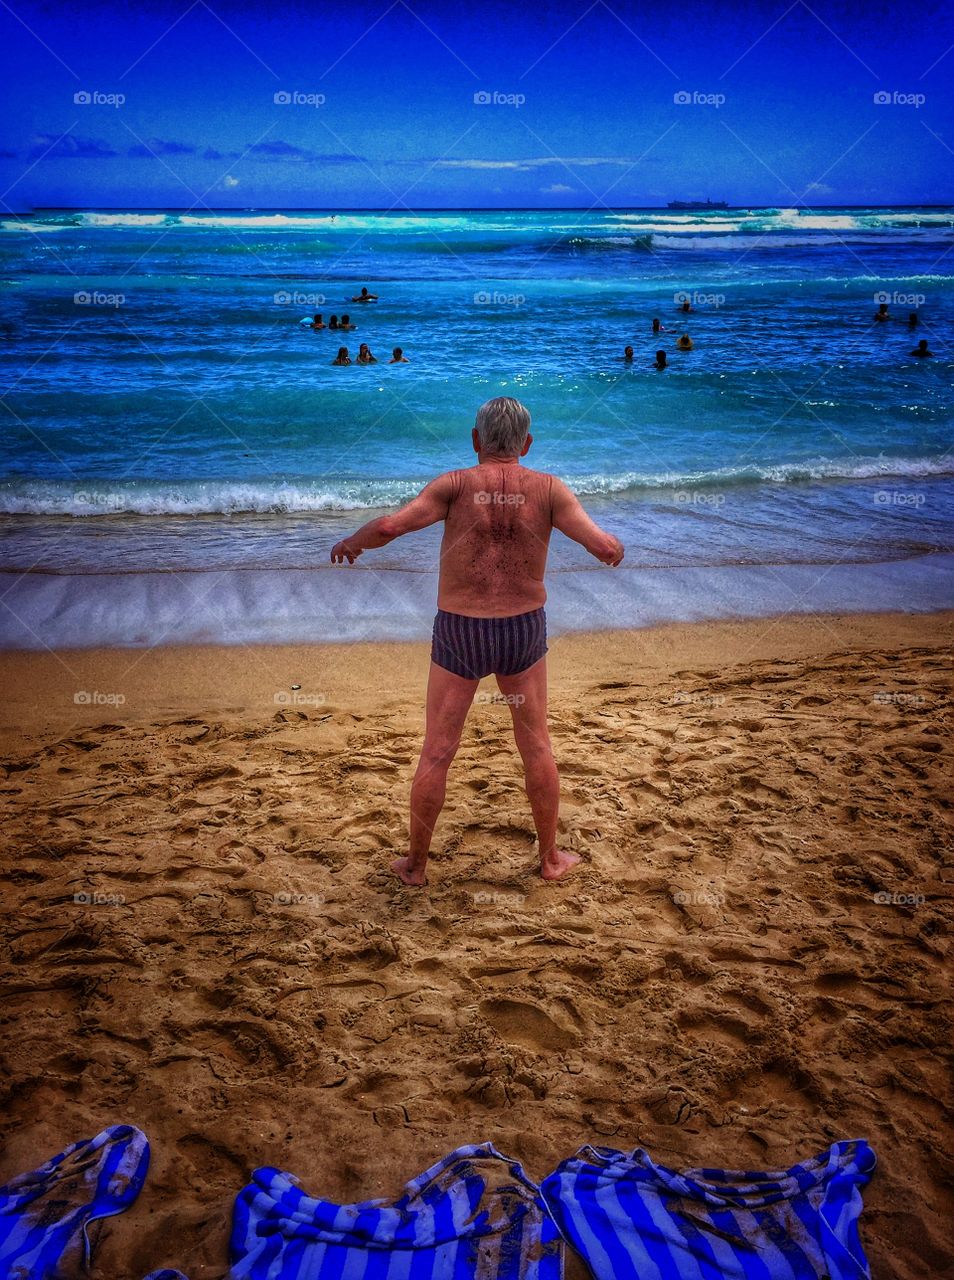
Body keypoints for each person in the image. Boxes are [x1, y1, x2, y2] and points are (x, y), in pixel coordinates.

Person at [330, 396, 625, 887]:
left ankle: (416, 866)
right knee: (535, 746)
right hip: (521, 631)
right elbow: (602, 546)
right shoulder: (550, 490)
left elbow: (389, 526)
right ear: (527, 444)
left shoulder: (454, 485)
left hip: (460, 632)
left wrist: (351, 542)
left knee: (438, 751)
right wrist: (615, 549)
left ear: (475, 440)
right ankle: (550, 860)